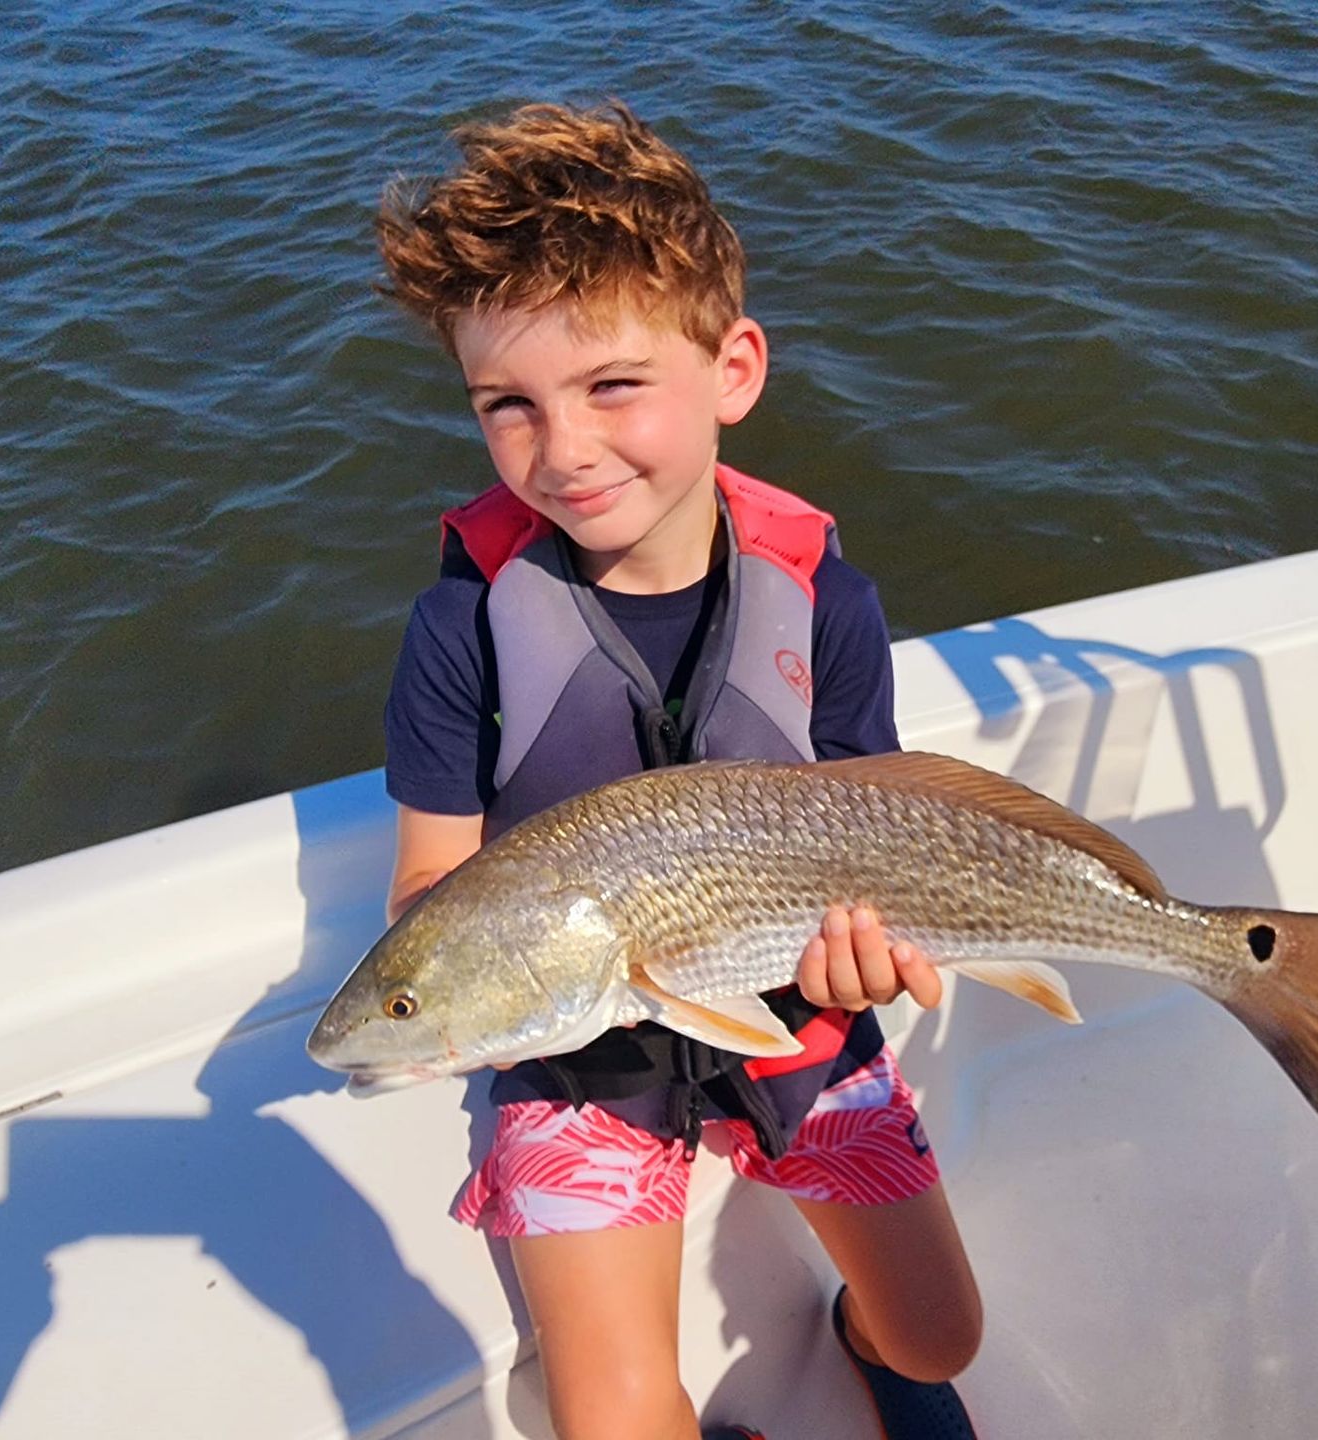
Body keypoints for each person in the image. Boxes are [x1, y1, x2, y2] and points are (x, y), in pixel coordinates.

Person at [373, 100, 983, 1440]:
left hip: (791, 1006)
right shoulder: (459, 629)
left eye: (611, 386)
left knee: (941, 1340)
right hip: (573, 1048)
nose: (566, 449)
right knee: (616, 1423)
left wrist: (865, 958)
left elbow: (870, 833)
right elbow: (431, 877)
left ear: (734, 370)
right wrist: (450, 985)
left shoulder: (825, 603)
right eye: (508, 407)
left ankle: (859, 1337)